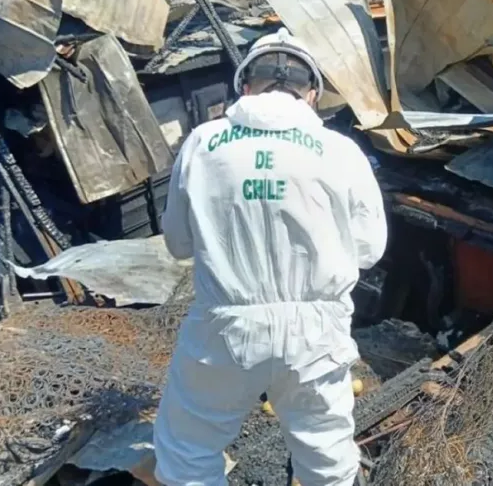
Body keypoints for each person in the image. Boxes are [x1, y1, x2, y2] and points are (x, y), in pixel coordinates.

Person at [152, 27, 388, 486]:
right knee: (327, 458)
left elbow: (178, 243)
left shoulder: (202, 143)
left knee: (188, 452)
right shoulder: (341, 151)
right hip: (316, 334)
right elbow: (368, 250)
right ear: (312, 94)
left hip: (225, 329)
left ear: (244, 86)